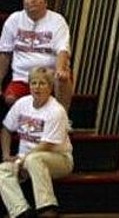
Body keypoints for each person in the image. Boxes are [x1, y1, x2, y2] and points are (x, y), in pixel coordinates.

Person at [0, 66, 73, 218]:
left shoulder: (56, 111)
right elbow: (6, 129)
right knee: (3, 169)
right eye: (33, 83)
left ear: (50, 87)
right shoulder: (22, 103)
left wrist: (21, 160)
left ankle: (47, 208)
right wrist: (6, 155)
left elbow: (46, 145)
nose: (37, 87)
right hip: (26, 159)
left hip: (59, 160)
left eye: (42, 83)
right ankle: (21, 211)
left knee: (34, 159)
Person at [0, 0, 74, 112]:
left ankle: (62, 117)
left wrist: (60, 70)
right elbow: (5, 53)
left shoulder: (57, 20)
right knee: (10, 99)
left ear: (46, 2)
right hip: (23, 76)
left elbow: (62, 49)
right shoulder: (14, 20)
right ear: (23, 2)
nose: (33, 0)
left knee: (62, 77)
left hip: (49, 76)